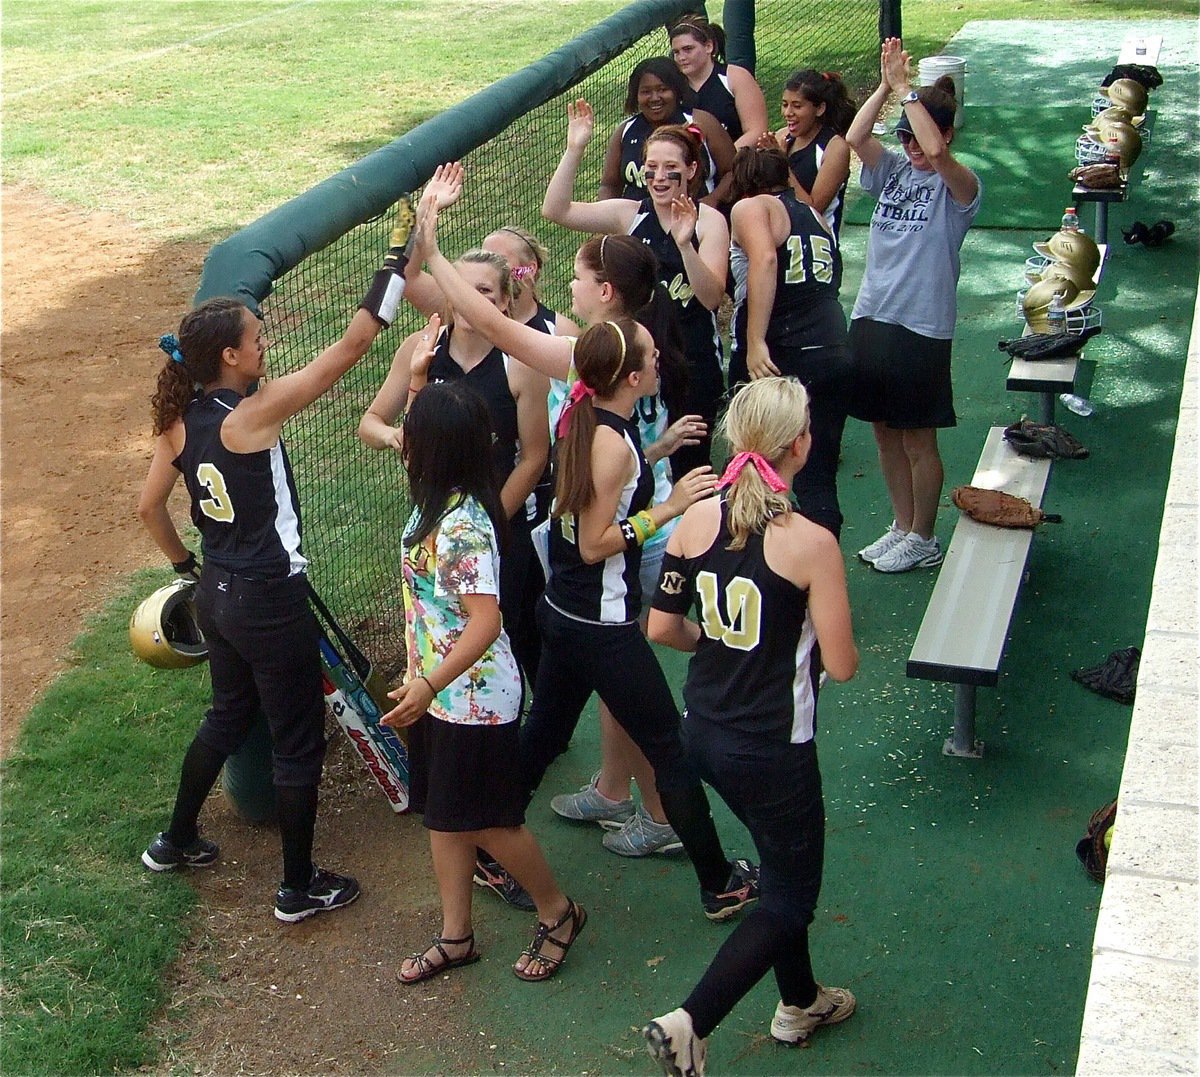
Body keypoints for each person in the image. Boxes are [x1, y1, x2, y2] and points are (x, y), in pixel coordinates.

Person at [422, 186, 760, 921]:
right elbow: (601, 537)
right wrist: (666, 507)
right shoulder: (609, 433)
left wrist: (431, 236)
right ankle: (719, 881)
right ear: (631, 378)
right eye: (646, 361)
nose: (653, 360)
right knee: (670, 746)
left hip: (560, 609)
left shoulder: (585, 392)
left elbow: (486, 318)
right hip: (601, 624)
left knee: (541, 743)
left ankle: (484, 834)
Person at [136, 204, 417, 921]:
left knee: (227, 716)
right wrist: (396, 253)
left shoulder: (180, 420)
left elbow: (147, 509)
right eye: (258, 337)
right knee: (295, 742)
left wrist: (185, 567)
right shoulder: (250, 415)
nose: (267, 344)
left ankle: (174, 839)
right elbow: (353, 346)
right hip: (266, 598)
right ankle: (297, 887)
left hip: (218, 596)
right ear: (228, 356)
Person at [642, 377, 859, 1076]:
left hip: (702, 729)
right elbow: (844, 664)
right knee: (791, 897)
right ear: (800, 445)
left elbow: (662, 626)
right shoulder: (810, 542)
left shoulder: (696, 520)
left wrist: (717, 639)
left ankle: (800, 1001)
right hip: (773, 748)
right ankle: (691, 1022)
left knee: (779, 864)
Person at [381, 377, 584, 985]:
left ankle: (560, 912)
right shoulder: (431, 501)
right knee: (445, 817)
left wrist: (428, 681)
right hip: (438, 693)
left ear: (434, 449)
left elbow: (487, 622)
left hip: (473, 698)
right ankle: (456, 936)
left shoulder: (464, 524)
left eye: (411, 434)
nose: (403, 442)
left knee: (492, 822)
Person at [358, 248, 550, 689]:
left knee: (510, 630)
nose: (468, 299)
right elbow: (369, 423)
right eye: (458, 288)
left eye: (482, 290)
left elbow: (535, 454)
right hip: (432, 525)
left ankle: (528, 724)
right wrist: (392, 436)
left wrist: (487, 520)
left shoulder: (519, 361)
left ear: (504, 302)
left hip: (498, 523)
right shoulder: (420, 349)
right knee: (438, 628)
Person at [844, 38, 981, 574]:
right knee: (882, 430)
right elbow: (856, 136)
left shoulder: (961, 187)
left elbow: (941, 156)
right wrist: (884, 85)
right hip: (873, 313)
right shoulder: (895, 171)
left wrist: (907, 94)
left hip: (921, 326)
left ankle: (924, 535)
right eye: (904, 137)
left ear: (944, 132)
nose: (913, 145)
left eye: (920, 133)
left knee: (919, 439)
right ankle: (902, 524)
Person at [545, 101, 729, 476]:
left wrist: (684, 244)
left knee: (689, 468)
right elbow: (556, 210)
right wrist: (575, 148)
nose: (659, 178)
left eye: (671, 170)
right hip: (635, 364)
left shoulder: (710, 221)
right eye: (652, 168)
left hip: (691, 367)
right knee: (636, 463)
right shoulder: (629, 214)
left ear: (692, 170)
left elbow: (711, 297)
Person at [727, 144, 851, 538]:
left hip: (785, 354)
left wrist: (755, 340)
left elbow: (765, 259)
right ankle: (822, 572)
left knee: (756, 467)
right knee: (819, 477)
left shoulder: (750, 208)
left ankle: (763, 571)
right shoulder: (814, 215)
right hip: (832, 348)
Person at [598, 57, 736, 208]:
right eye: (646, 92)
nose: (655, 98)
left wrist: (712, 200)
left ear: (676, 90)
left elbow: (733, 171)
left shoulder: (701, 122)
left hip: (692, 216)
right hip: (637, 223)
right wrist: (605, 219)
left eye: (662, 90)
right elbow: (609, 185)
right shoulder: (625, 130)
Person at [767, 68, 855, 238]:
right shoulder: (781, 136)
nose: (788, 113)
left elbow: (812, 210)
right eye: (785, 105)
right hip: (780, 243)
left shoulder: (835, 148)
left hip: (817, 249)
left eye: (797, 106)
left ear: (820, 109)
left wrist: (781, 163)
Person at [669, 13, 768, 149]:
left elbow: (757, 131)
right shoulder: (673, 88)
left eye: (688, 49)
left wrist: (724, 161)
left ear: (709, 46)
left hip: (740, 162)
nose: (681, 57)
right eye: (676, 52)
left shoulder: (735, 77)